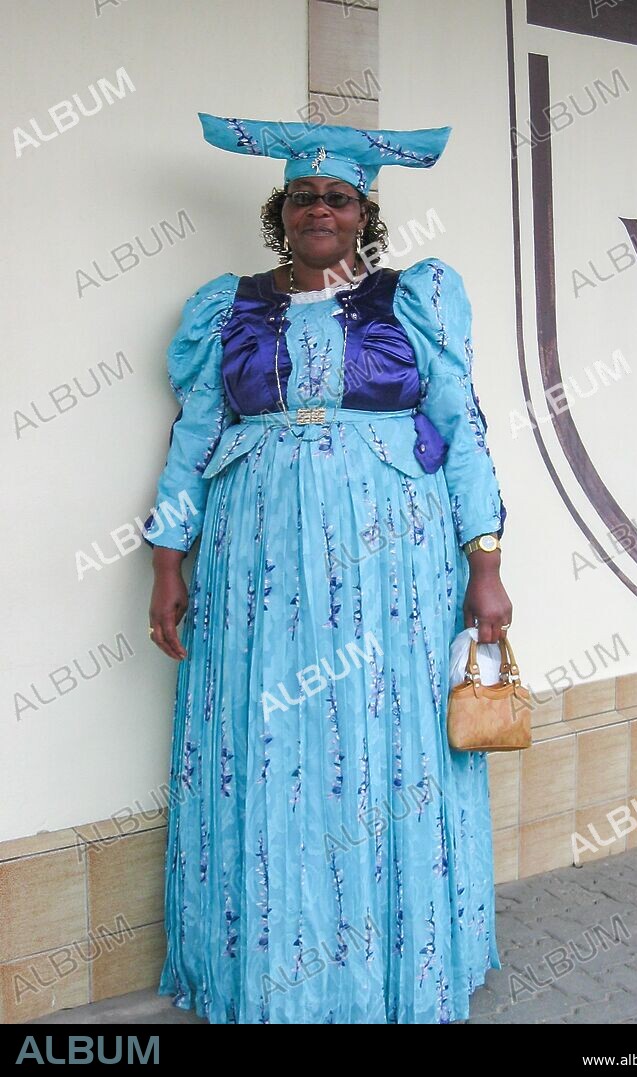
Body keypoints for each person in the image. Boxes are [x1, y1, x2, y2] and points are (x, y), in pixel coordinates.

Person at [142, 113, 512, 1025]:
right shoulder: (229, 309)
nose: (321, 209)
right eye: (304, 196)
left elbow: (464, 432)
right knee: (270, 750)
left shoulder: (411, 300)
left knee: (380, 743)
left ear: (363, 212)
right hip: (257, 569)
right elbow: (195, 437)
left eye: (338, 198)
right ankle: (269, 963)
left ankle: (390, 967)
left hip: (393, 572)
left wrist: (487, 563)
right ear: (282, 210)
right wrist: (166, 559)